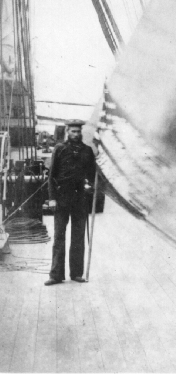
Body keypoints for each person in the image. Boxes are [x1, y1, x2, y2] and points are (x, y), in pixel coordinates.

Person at [44, 119, 96, 286]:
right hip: (61, 199)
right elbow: (51, 176)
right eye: (73, 131)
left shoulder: (87, 151)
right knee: (59, 237)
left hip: (80, 199)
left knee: (78, 237)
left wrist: (91, 186)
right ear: (67, 132)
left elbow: (93, 175)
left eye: (78, 131)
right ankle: (56, 275)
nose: (76, 134)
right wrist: (52, 198)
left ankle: (76, 273)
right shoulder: (59, 149)